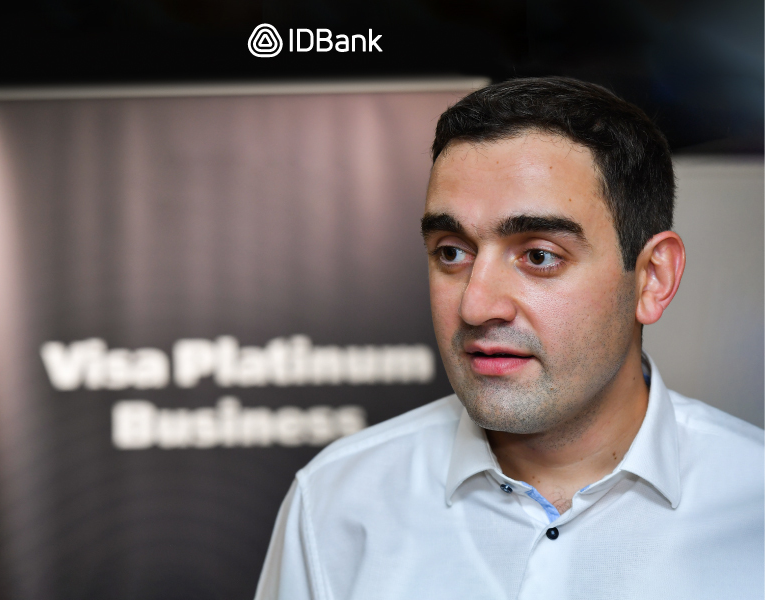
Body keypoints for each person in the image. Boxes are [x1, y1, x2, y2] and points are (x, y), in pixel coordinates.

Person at [253, 77, 764, 600]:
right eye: (452, 252)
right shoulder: (335, 506)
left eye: (539, 256)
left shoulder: (754, 506)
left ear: (652, 278)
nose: (475, 306)